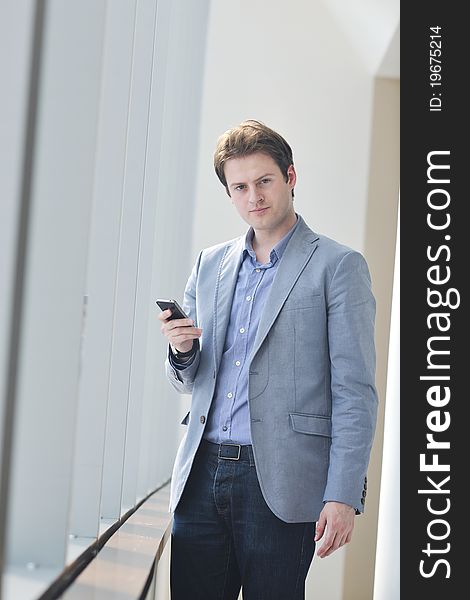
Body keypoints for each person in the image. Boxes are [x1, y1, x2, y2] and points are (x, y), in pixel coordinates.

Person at [158, 120, 378, 600]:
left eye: (265, 181)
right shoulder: (209, 264)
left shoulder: (338, 266)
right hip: (201, 475)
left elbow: (355, 391)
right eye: (240, 187)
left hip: (280, 483)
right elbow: (188, 381)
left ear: (290, 177)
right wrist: (182, 350)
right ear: (230, 194)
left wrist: (342, 495)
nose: (254, 196)